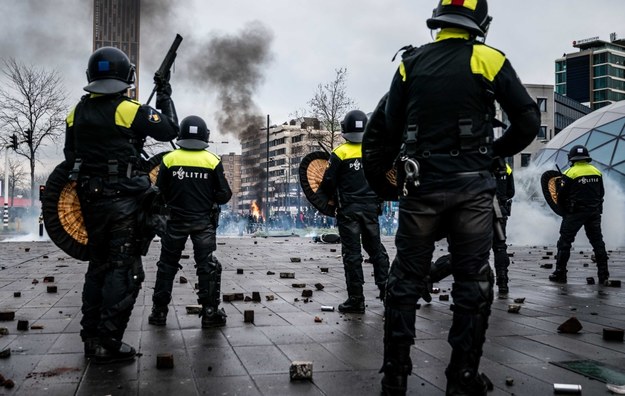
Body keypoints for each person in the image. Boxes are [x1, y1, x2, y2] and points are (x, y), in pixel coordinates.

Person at [377, 1, 540, 394]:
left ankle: (395, 376)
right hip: (472, 192)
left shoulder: (409, 64)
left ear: (440, 19)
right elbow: (529, 121)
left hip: (421, 189)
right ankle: (462, 376)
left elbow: (387, 126)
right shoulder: (489, 59)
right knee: (473, 282)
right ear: (479, 22)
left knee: (404, 281)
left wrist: (387, 180)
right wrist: (493, 151)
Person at [63, 46, 179, 364]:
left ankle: (91, 338)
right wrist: (165, 93)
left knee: (98, 265)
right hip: (124, 203)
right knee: (124, 270)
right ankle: (108, 341)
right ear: (127, 77)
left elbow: (70, 158)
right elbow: (171, 129)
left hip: (91, 200)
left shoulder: (76, 112)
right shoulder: (127, 109)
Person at [148, 115, 232, 328]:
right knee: (207, 266)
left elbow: (159, 192)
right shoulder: (212, 160)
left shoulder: (169, 159)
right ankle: (210, 312)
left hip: (174, 222)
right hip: (202, 222)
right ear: (205, 136)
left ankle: (159, 312)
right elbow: (225, 195)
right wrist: (208, 194)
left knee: (166, 265)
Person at [318, 110, 390, 314]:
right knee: (376, 251)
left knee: (352, 255)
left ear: (345, 130)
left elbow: (328, 183)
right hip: (370, 209)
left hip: (348, 211)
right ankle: (387, 293)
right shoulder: (374, 152)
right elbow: (384, 180)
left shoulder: (339, 153)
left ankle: (356, 300)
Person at [549, 145, 609, 284]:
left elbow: (561, 196)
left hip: (575, 213)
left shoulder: (570, 173)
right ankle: (604, 275)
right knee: (598, 243)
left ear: (572, 158)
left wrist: (563, 211)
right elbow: (602, 193)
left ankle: (560, 274)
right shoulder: (596, 172)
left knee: (564, 243)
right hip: (593, 212)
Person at [492, 160, 514, 295]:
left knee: (474, 249)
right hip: (499, 211)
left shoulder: (475, 160)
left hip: (477, 211)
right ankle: (503, 281)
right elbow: (511, 192)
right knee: (500, 246)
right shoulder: (506, 167)